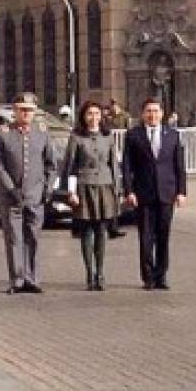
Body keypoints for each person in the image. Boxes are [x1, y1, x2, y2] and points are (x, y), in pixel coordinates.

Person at [0, 93, 57, 294]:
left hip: (35, 196)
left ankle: (32, 278)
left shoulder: (42, 133)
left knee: (33, 237)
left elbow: (51, 164)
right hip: (11, 197)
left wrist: (48, 187)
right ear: (15, 111)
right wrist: (10, 188)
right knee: (14, 238)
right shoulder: (3, 133)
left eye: (29, 110)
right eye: (22, 110)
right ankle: (17, 279)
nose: (26, 113)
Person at [121, 98, 188, 290]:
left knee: (163, 236)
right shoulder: (134, 135)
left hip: (167, 192)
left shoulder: (173, 135)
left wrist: (181, 191)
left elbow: (179, 166)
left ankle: (162, 275)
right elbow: (126, 166)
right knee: (146, 236)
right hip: (143, 193)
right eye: (149, 111)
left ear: (162, 113)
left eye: (156, 111)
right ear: (143, 114)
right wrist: (128, 190)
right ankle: (148, 276)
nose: (152, 115)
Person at [61, 101, 120, 291]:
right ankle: (89, 273)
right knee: (87, 231)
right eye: (89, 114)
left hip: (104, 186)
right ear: (83, 116)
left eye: (96, 113)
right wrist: (71, 192)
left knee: (101, 231)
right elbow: (69, 166)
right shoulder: (76, 137)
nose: (93, 117)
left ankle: (100, 273)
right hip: (84, 186)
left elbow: (114, 164)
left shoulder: (108, 136)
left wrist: (117, 190)